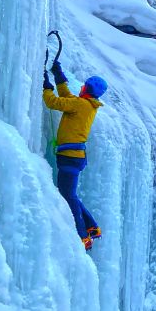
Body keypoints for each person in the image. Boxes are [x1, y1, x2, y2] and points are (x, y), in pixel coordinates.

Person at [43, 60, 108, 251]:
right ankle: (92, 226)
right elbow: (67, 96)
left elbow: (52, 101)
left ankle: (83, 235)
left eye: (84, 86)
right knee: (70, 194)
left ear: (87, 89)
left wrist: (46, 85)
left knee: (68, 195)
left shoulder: (81, 104)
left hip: (70, 157)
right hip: (74, 156)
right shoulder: (86, 105)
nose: (81, 87)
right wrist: (58, 75)